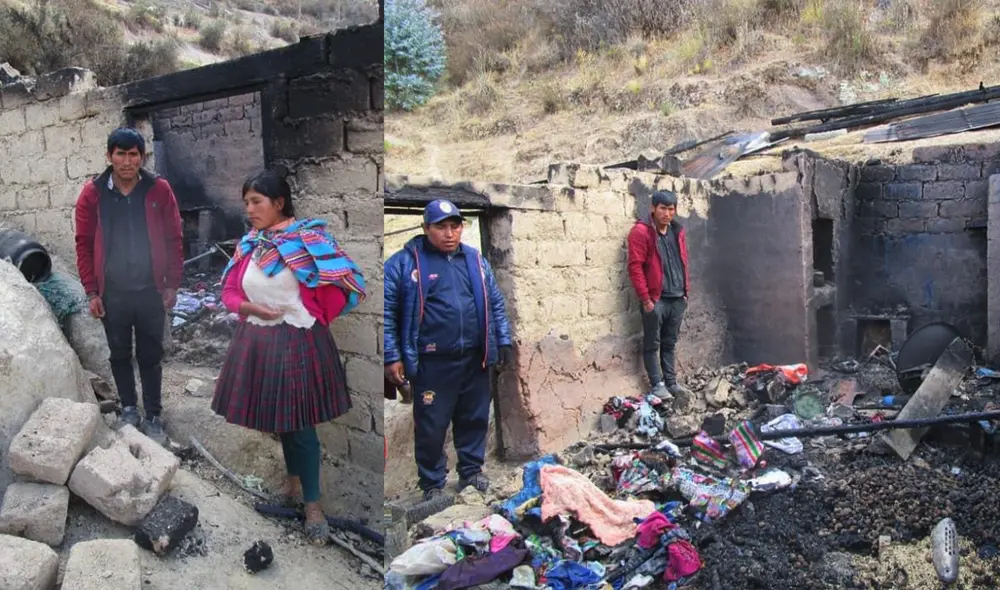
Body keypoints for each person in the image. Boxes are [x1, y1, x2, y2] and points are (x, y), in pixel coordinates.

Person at [212, 169, 367, 546]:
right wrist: (251, 307)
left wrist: (315, 312)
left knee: (302, 426)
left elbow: (347, 278)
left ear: (278, 202)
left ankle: (314, 506)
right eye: (246, 202)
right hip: (258, 340)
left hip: (297, 341)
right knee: (282, 420)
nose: (249, 210)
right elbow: (229, 292)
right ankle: (293, 481)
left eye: (256, 202)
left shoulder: (309, 241)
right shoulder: (249, 244)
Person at [384, 199, 513, 501]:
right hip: (432, 363)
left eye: (455, 226)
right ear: (426, 228)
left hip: (474, 358)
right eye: (441, 226)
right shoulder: (404, 264)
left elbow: (495, 303)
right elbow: (388, 312)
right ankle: (432, 484)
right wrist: (392, 356)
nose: (449, 233)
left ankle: (471, 472)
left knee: (474, 418)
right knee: (431, 425)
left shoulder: (475, 261)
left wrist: (502, 341)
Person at [74, 127, 184, 444]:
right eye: (120, 154)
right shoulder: (93, 194)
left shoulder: (158, 190)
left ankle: (153, 415)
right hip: (114, 292)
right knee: (120, 353)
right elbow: (83, 244)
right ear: (109, 157)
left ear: (142, 157)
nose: (126, 161)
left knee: (151, 353)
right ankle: (129, 410)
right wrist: (92, 290)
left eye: (133, 154)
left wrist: (172, 283)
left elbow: (175, 238)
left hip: (151, 290)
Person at [626, 190, 693, 400]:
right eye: (662, 208)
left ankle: (672, 383)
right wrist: (646, 299)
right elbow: (635, 267)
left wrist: (684, 294)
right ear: (653, 208)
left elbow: (681, 261)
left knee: (669, 343)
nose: (667, 213)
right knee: (652, 344)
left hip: (677, 298)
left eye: (671, 209)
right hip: (656, 300)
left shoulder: (676, 231)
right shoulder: (641, 232)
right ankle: (657, 385)